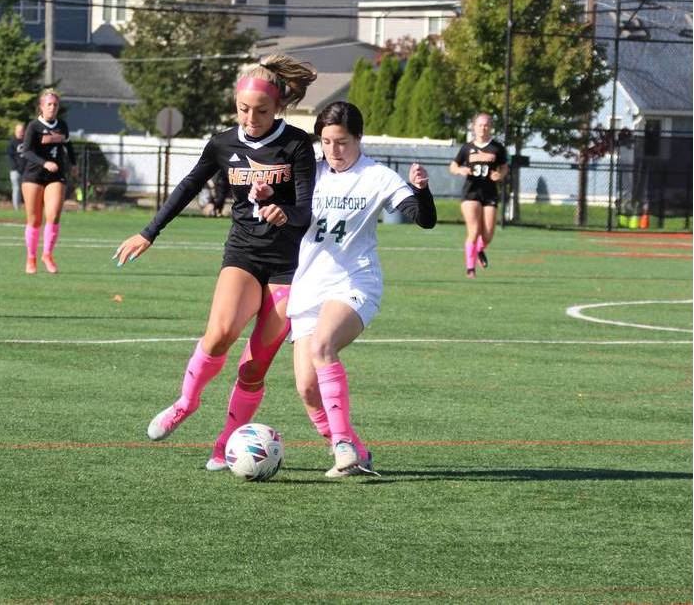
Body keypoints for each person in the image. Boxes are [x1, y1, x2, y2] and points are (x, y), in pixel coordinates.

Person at [113, 54, 318, 471]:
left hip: (290, 266)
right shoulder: (223, 143)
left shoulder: (297, 144)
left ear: (278, 107)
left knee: (255, 366)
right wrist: (149, 231)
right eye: (243, 109)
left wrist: (282, 210)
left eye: (261, 111)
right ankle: (185, 403)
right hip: (243, 254)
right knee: (220, 334)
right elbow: (188, 186)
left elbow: (305, 210)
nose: (251, 118)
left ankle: (226, 443)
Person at [286, 101, 436, 477]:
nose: (333, 150)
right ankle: (357, 452)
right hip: (308, 287)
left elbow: (424, 219)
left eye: (342, 142)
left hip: (355, 282)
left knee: (323, 346)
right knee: (307, 389)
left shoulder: (376, 176)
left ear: (358, 138)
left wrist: (421, 191)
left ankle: (341, 447)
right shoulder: (310, 173)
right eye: (326, 142)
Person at [448, 113, 508, 278]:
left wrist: (500, 175)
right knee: (474, 231)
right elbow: (453, 166)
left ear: (491, 127)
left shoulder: (497, 147)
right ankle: (470, 269)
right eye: (480, 125)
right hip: (471, 193)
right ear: (474, 127)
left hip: (490, 193)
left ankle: (480, 249)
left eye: (486, 125)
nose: (483, 128)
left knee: (488, 235)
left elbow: (504, 167)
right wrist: (460, 170)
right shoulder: (467, 148)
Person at [20, 90, 70, 274]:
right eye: (48, 104)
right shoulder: (33, 126)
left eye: (55, 104)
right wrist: (44, 163)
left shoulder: (62, 125)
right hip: (34, 176)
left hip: (55, 176)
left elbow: (67, 145)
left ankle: (47, 254)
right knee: (34, 219)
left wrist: (73, 164)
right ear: (41, 106)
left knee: (54, 215)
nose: (52, 107)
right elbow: (26, 151)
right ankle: (31, 258)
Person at [7, 123, 26, 210]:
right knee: (16, 188)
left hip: (26, 170)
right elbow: (10, 157)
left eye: (22, 131)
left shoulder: (27, 141)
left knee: (27, 189)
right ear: (15, 131)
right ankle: (16, 208)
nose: (20, 133)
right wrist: (17, 167)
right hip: (15, 170)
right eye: (19, 131)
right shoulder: (12, 142)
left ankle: (28, 207)